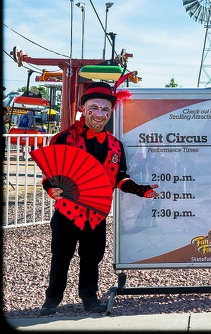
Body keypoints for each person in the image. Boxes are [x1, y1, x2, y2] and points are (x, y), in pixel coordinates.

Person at [40, 82, 159, 316]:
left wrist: (140, 189)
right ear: (84, 109)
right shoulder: (64, 139)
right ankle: (52, 299)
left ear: (110, 113)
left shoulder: (116, 146)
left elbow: (120, 177)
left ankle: (89, 298)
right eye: (94, 108)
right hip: (67, 211)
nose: (100, 115)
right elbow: (50, 173)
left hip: (96, 212)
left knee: (92, 257)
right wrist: (51, 188)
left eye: (106, 110)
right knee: (61, 256)